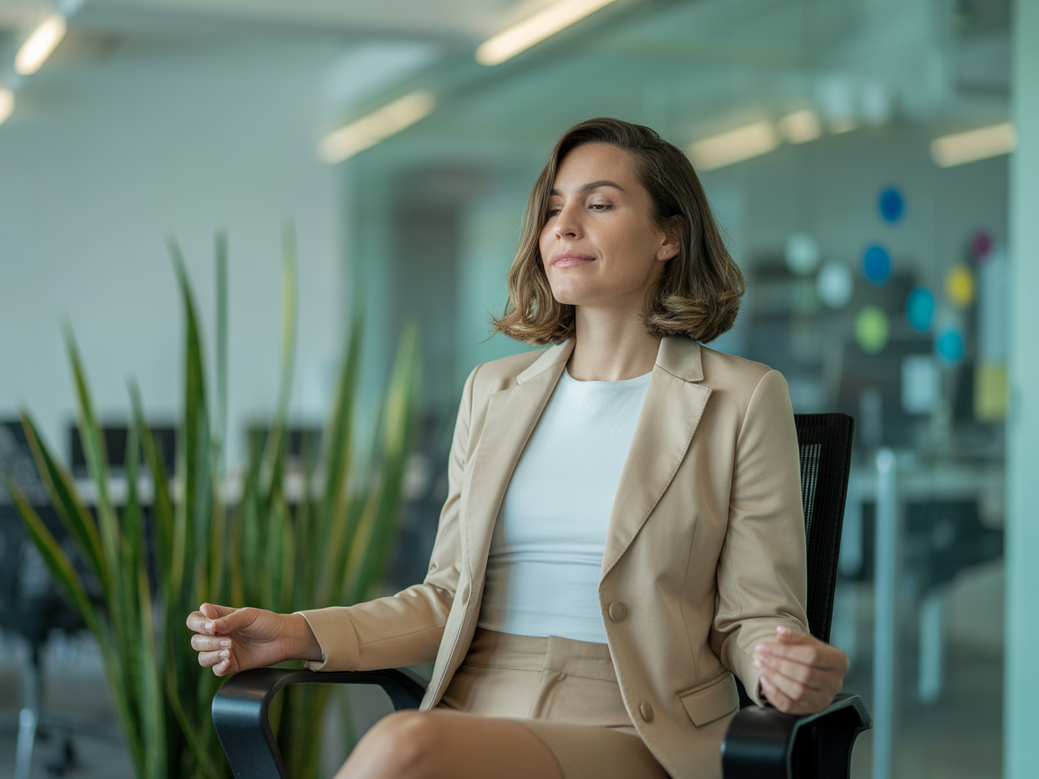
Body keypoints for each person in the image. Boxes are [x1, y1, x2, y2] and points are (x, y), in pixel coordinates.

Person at [187, 117, 849, 779]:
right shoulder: (493, 390)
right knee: (416, 744)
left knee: (404, 747)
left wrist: (783, 668)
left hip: (633, 724)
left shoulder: (741, 396)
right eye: (553, 207)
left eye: (598, 204)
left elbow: (753, 616)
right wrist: (295, 630)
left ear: (668, 236)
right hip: (474, 704)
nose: (562, 226)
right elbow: (446, 595)